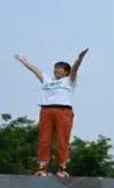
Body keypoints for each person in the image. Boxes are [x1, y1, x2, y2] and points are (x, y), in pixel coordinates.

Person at [14, 49, 88, 178]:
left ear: (66, 71)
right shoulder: (47, 80)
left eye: (59, 68)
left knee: (62, 140)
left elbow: (75, 69)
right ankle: (42, 168)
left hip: (63, 111)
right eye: (55, 68)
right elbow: (35, 70)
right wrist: (24, 61)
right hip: (46, 111)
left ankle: (62, 168)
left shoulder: (69, 81)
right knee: (44, 139)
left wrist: (79, 58)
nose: (56, 70)